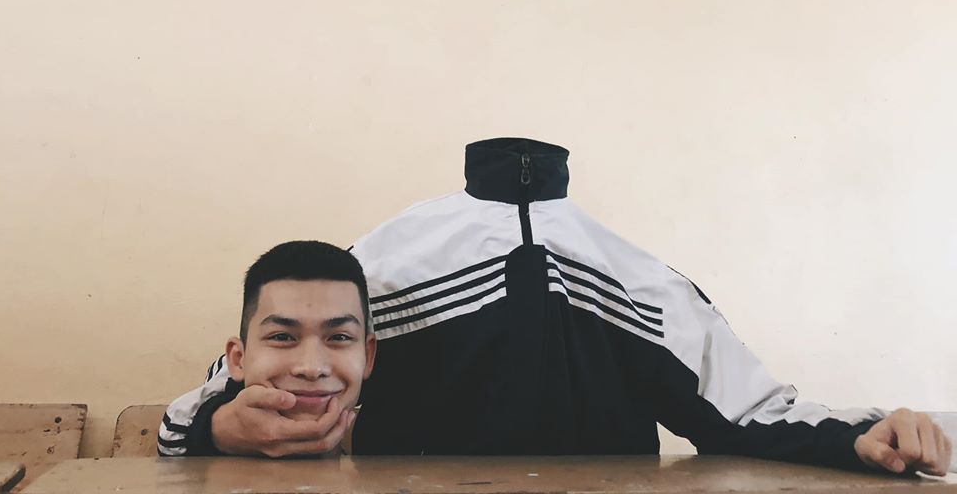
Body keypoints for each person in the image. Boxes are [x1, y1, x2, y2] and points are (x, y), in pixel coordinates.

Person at [160, 138, 951, 474]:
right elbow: (203, 410)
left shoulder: (639, 282)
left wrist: (860, 437)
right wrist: (220, 428)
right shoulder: (369, 273)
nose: (315, 357)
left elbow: (749, 414)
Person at [159, 240, 376, 457]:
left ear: (368, 356)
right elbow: (172, 429)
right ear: (238, 358)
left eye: (339, 337)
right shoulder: (218, 394)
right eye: (282, 337)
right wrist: (214, 431)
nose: (311, 368)